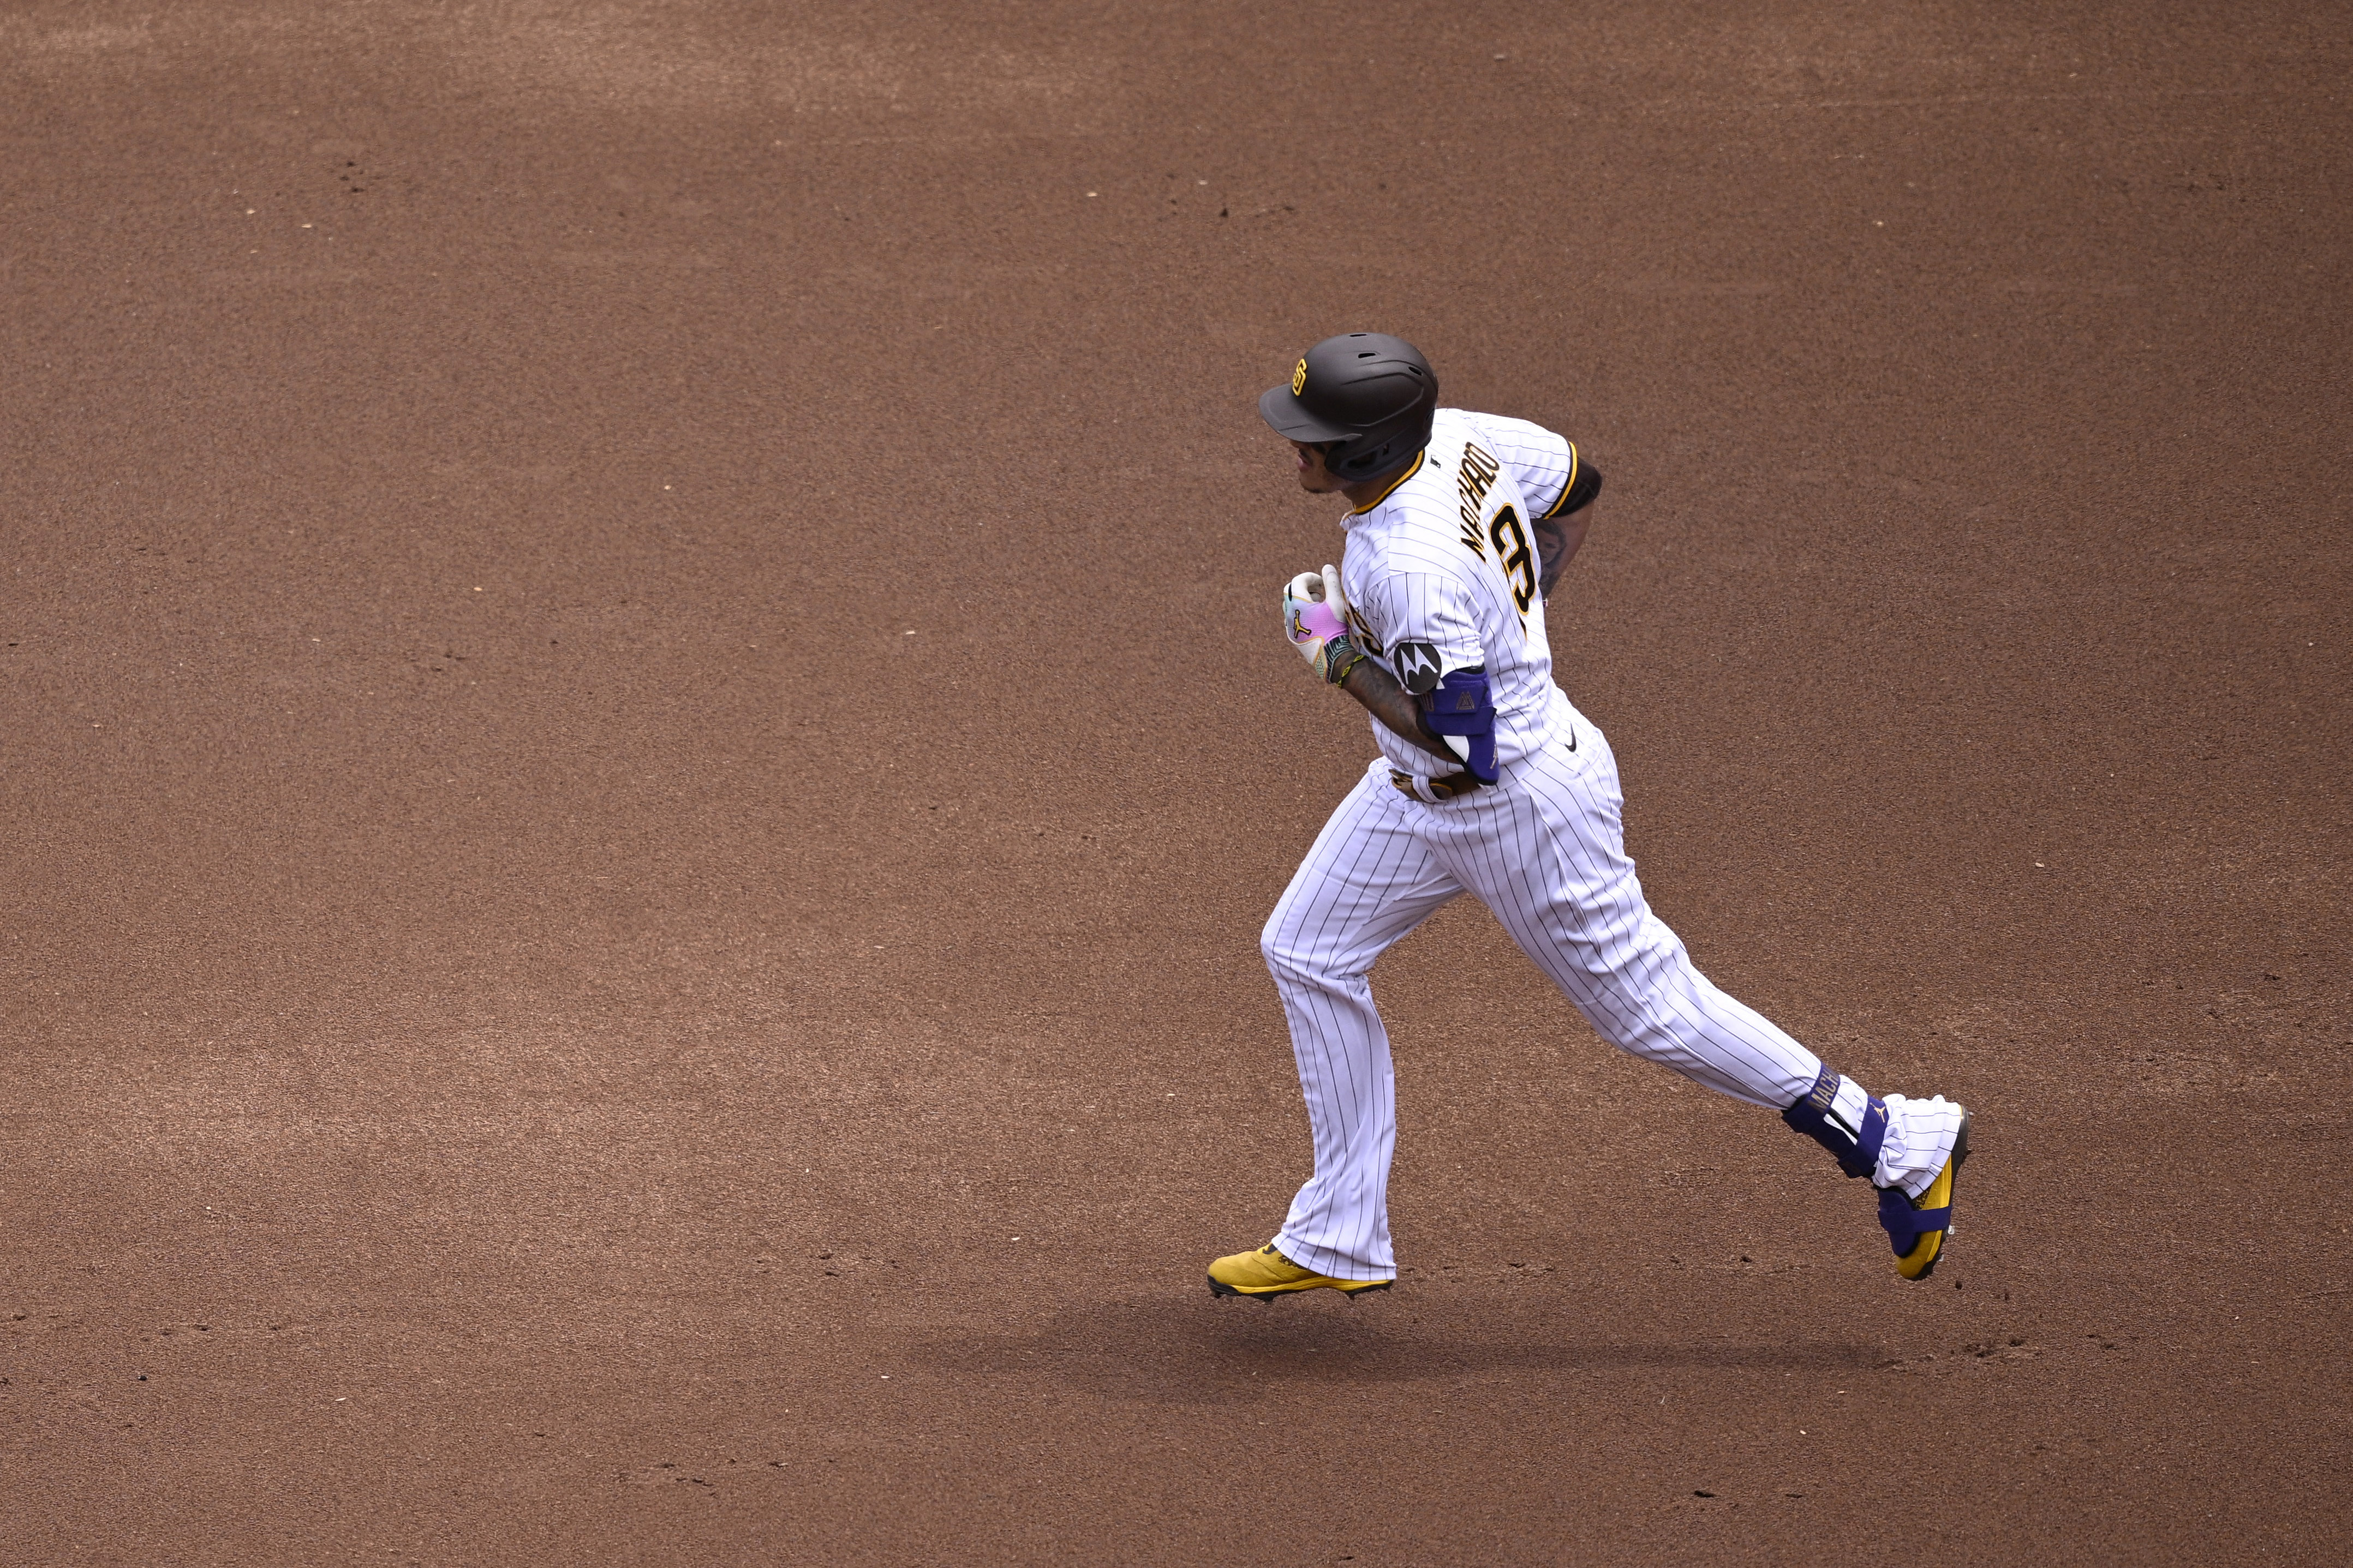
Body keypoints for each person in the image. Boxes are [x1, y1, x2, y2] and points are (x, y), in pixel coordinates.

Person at [1207, 332, 1970, 1301]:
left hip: (1515, 805)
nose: (1294, 447)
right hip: (1419, 794)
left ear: (1365, 451)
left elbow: (1463, 744)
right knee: (1307, 949)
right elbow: (1578, 481)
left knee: (1651, 1008)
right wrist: (1513, 623)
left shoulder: (1407, 564)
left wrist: (1335, 655)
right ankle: (1340, 1234)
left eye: (1312, 435)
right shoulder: (1463, 439)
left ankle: (1897, 1142)